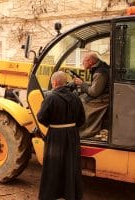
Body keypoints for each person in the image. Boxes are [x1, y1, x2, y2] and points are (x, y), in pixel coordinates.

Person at [37, 71, 85, 200]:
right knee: (70, 166)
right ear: (64, 83)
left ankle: (50, 196)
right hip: (72, 135)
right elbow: (82, 120)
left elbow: (41, 117)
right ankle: (71, 195)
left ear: (54, 83)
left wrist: (51, 125)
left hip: (56, 135)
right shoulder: (76, 98)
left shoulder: (51, 98)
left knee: (53, 167)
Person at [74, 52, 109, 138]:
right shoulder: (99, 68)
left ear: (90, 61)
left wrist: (82, 84)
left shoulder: (100, 72)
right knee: (80, 97)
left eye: (83, 61)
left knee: (80, 103)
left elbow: (94, 92)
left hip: (104, 99)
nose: (82, 63)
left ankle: (85, 133)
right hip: (103, 95)